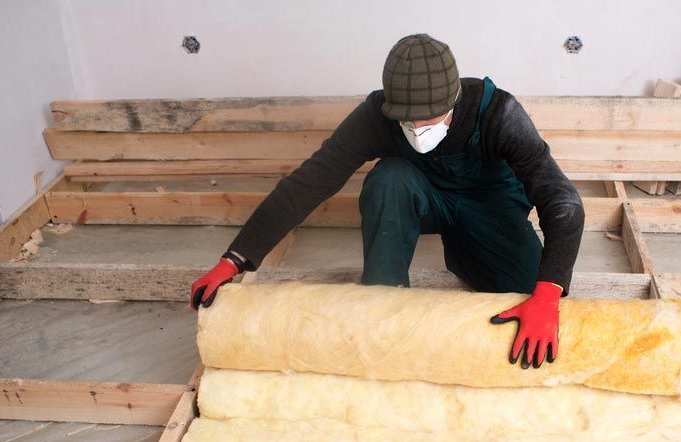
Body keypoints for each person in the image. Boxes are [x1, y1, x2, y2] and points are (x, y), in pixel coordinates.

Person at [191, 34, 584, 369]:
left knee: (526, 297)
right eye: (406, 121)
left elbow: (561, 201)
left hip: (490, 207)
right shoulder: (378, 114)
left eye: (427, 121)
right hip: (421, 199)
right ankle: (383, 300)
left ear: (453, 102)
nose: (415, 129)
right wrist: (235, 259)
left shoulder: (499, 113)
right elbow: (309, 182)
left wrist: (549, 291)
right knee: (388, 177)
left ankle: (465, 252)